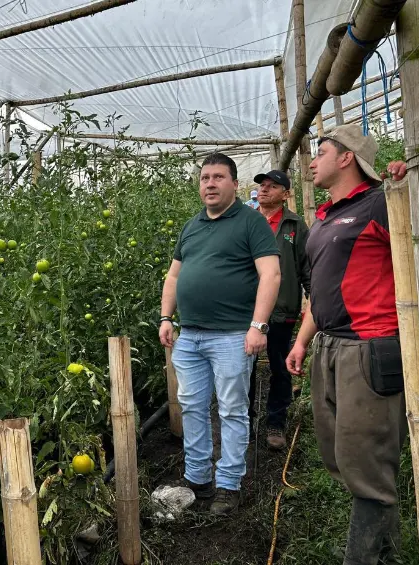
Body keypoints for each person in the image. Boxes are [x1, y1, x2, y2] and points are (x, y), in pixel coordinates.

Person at [285, 124, 408, 565]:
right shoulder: (324, 219)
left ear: (346, 158)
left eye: (320, 151)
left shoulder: (381, 203)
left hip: (369, 347)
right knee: (339, 455)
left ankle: (361, 559)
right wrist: (302, 341)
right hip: (330, 347)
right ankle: (387, 553)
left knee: (365, 462)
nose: (312, 161)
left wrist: (404, 186)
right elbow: (321, 290)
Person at [159, 153, 281, 516]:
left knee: (231, 410)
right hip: (190, 335)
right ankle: (197, 477)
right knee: (193, 407)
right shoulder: (191, 225)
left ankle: (229, 483)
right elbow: (174, 277)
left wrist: (258, 326)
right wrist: (166, 317)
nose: (209, 184)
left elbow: (271, 275)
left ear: (234, 183)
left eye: (217, 177)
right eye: (204, 178)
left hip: (231, 336)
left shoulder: (250, 222)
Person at [247, 169, 311, 449]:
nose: (264, 189)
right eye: (262, 185)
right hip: (247, 311)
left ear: (285, 195)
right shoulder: (245, 221)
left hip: (282, 310)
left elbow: (307, 268)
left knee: (280, 368)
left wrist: (314, 300)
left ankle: (276, 421)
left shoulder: (295, 226)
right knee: (243, 369)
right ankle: (244, 422)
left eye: (273, 186)